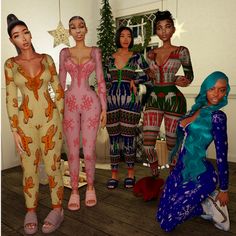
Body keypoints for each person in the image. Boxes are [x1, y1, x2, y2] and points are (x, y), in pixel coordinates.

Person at [5, 14, 64, 234]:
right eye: (17, 35)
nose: (24, 38)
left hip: (51, 121)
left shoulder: (47, 59)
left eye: (25, 32)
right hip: (25, 123)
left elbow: (58, 92)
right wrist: (14, 130)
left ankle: (58, 208)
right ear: (12, 40)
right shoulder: (10, 64)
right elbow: (11, 98)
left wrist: (64, 118)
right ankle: (31, 210)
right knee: (28, 169)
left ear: (30, 33)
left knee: (53, 166)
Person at [157, 71, 230, 232]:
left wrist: (224, 189)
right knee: (161, 215)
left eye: (222, 90)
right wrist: (174, 158)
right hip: (181, 170)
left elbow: (222, 154)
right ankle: (205, 200)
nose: (217, 94)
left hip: (200, 174)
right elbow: (184, 140)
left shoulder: (217, 117)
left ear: (226, 92)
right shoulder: (198, 109)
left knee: (168, 223)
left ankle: (208, 207)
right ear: (205, 89)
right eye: (212, 89)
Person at [59, 16, 107, 210]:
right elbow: (60, 83)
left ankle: (90, 187)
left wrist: (104, 108)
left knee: (88, 151)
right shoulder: (64, 53)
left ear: (86, 29)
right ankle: (74, 191)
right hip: (69, 104)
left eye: (81, 26)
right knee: (71, 151)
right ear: (69, 32)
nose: (77, 30)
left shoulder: (95, 51)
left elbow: (101, 81)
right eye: (73, 27)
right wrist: (57, 107)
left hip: (91, 104)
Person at [143, 10, 194, 176]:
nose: (163, 31)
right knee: (147, 145)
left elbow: (189, 77)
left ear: (172, 30)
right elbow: (149, 78)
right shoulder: (150, 54)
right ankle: (154, 175)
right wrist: (148, 76)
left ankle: (172, 178)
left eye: (167, 27)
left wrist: (180, 79)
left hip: (174, 100)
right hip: (153, 99)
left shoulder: (181, 51)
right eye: (159, 27)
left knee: (173, 144)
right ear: (156, 31)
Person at [105, 26, 151, 189]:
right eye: (122, 35)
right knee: (114, 139)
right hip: (111, 102)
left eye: (129, 36)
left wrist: (135, 80)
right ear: (118, 37)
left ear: (132, 39)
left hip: (130, 102)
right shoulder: (109, 58)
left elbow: (149, 73)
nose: (126, 39)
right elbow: (105, 80)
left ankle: (131, 173)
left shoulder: (136, 56)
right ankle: (114, 175)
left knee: (128, 137)